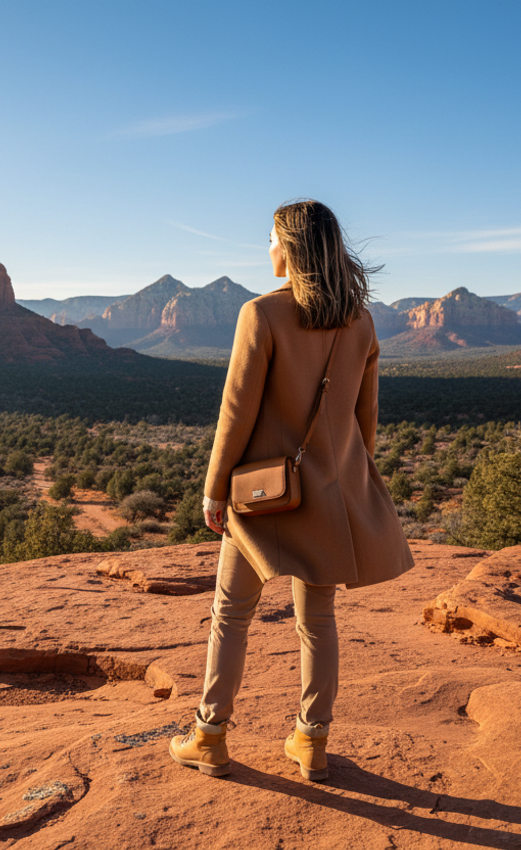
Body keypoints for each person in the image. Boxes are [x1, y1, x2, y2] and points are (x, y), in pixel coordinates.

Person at [169, 199, 414, 781]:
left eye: (272, 239)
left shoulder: (262, 314)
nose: (268, 249)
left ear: (292, 247)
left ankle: (209, 735)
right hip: (331, 493)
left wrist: (214, 490)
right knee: (318, 620)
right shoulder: (361, 320)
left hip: (265, 497)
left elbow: (236, 411)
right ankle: (311, 742)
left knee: (230, 613)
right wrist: (347, 480)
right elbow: (365, 416)